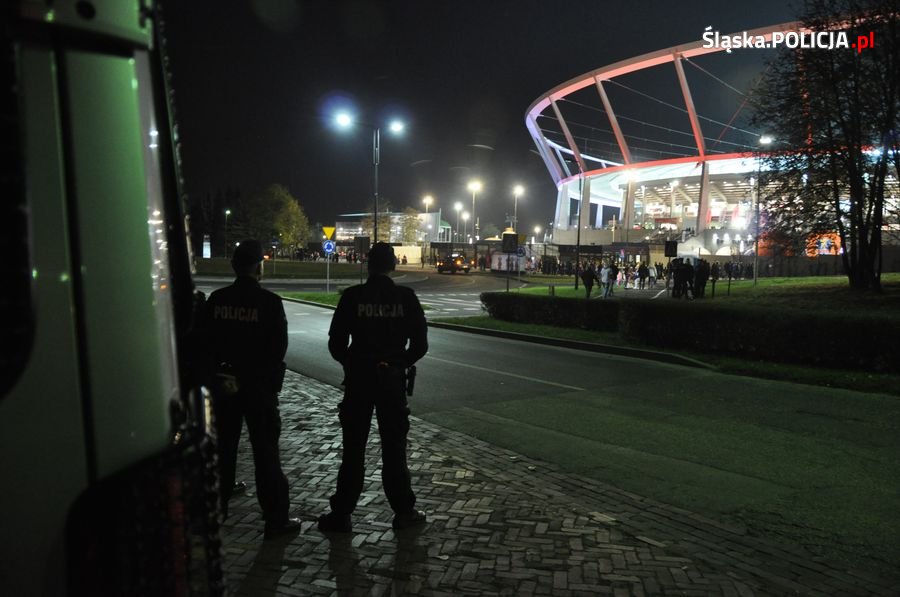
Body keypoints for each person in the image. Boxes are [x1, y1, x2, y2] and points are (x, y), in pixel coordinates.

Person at [318, 242, 429, 533]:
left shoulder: (353, 297)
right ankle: (404, 511)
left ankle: (341, 512)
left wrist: (353, 363)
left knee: (353, 450)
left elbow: (336, 343)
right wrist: (397, 364)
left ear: (368, 265)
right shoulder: (405, 297)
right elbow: (420, 345)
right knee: (395, 450)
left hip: (358, 382)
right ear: (393, 265)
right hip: (391, 382)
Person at [202, 239, 300, 539]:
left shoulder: (217, 300)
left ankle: (213, 515)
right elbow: (278, 349)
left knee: (221, 452)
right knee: (266, 454)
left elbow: (203, 346)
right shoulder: (270, 303)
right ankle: (275, 519)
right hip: (259, 388)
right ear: (259, 266)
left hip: (225, 386)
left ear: (234, 266)